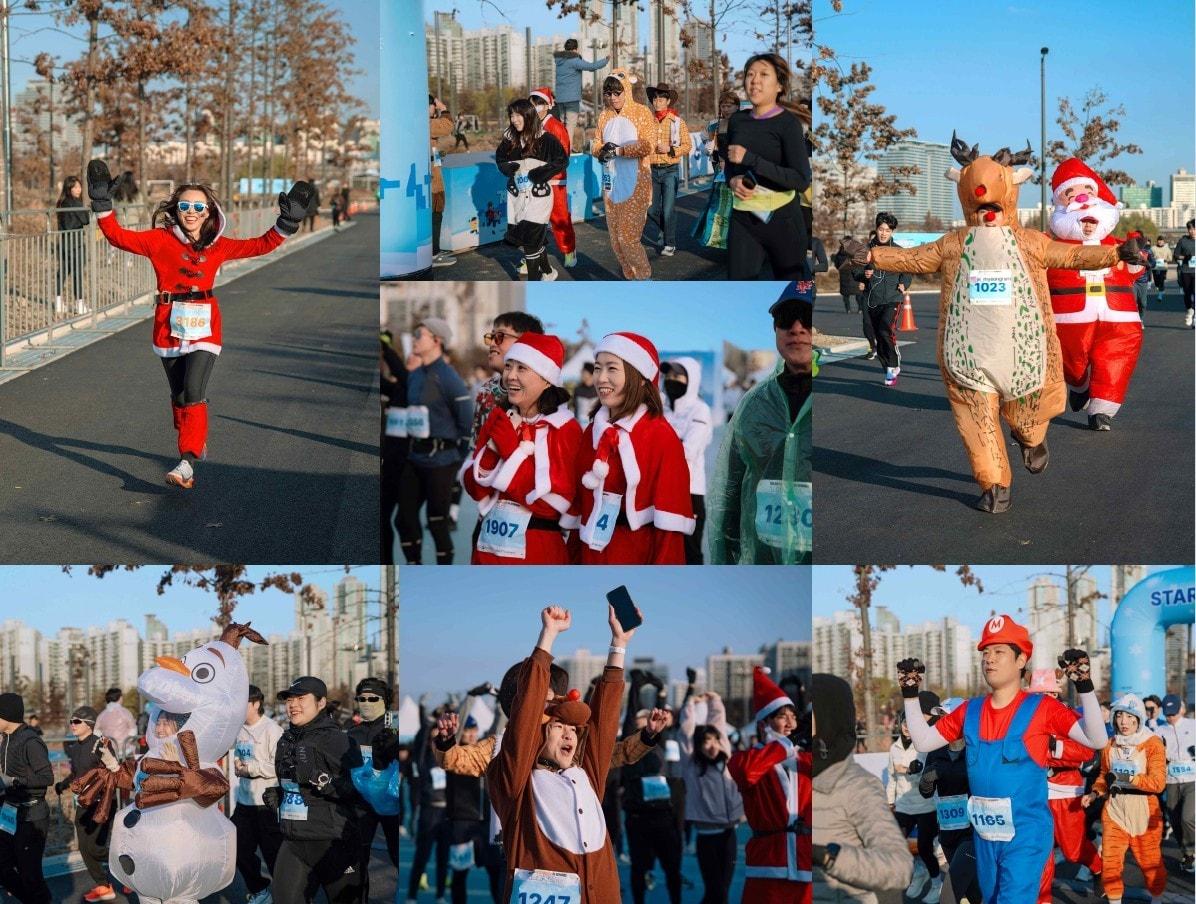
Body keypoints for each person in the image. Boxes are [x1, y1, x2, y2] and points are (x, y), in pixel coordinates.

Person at [858, 137, 1138, 513]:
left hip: (1023, 350)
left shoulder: (1030, 242)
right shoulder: (952, 244)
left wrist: (1116, 253)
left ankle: (1030, 437)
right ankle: (993, 484)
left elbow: (1071, 254)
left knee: (1030, 411)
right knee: (976, 421)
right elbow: (913, 259)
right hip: (966, 353)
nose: (985, 206)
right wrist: (871, 255)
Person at [86, 158, 314, 490]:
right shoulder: (159, 240)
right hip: (167, 326)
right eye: (184, 206)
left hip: (205, 328)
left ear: (208, 212)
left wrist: (288, 221)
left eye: (198, 206)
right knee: (179, 396)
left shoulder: (218, 246)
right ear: (176, 210)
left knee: (194, 389)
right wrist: (102, 204)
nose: (191, 212)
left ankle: (187, 461)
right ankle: (193, 436)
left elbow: (261, 244)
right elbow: (117, 237)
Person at [896, 614, 1109, 904]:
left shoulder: (1042, 707)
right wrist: (910, 694)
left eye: (999, 652)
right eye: (985, 652)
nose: (989, 659)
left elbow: (1096, 739)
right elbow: (923, 740)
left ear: (1021, 660)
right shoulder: (969, 710)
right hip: (985, 837)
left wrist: (1084, 686)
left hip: (1025, 837)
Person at [487, 603, 636, 903]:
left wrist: (618, 645)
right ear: (540, 732)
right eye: (558, 726)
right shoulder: (517, 784)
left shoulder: (586, 775)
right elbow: (526, 717)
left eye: (574, 729)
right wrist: (548, 636)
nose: (570, 733)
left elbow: (604, 724)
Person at [566, 331, 695, 564]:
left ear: (640, 376)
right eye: (597, 368)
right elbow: (580, 514)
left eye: (612, 368)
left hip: (635, 557)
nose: (601, 378)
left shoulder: (661, 436)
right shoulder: (592, 433)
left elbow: (670, 532)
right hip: (591, 555)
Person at [708, 284, 812, 564]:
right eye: (786, 318)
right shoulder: (755, 404)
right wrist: (724, 558)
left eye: (808, 317)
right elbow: (730, 487)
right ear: (775, 329)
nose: (797, 328)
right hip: (764, 558)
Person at [461, 333, 582, 564]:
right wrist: (492, 452)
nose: (511, 376)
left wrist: (510, 450)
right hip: (487, 549)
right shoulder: (499, 418)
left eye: (522, 368)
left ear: (546, 378)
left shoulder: (565, 429)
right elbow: (475, 490)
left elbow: (551, 506)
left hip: (537, 551)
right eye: (508, 366)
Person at [1046, 159, 1145, 430]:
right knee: (1071, 360)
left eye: (1088, 192)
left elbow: (1134, 269)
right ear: (1060, 205)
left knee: (1117, 354)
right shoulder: (1053, 247)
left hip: (1119, 314)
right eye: (1070, 193)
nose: (1080, 197)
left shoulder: (1117, 244)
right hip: (1069, 315)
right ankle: (1080, 384)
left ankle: (1101, 409)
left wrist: (1138, 254)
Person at [811, 674, 914, 904]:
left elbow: (899, 867)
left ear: (830, 716)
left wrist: (829, 856)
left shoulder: (857, 786)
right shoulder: (796, 777)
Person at [271, 676, 365, 904]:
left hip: (332, 841)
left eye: (301, 698)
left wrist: (322, 781)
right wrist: (279, 794)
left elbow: (359, 792)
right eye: (289, 700)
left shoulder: (336, 740)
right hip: (293, 839)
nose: (293, 705)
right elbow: (292, 782)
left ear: (321, 702)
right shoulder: (286, 740)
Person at [723, 53, 811, 280]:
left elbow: (801, 179)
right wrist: (732, 180)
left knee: (792, 288)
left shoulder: (788, 124)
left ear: (779, 85)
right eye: (750, 75)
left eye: (764, 75)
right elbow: (730, 164)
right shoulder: (737, 121)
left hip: (783, 219)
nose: (755, 81)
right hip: (744, 216)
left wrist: (751, 159)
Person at [728, 667, 811, 904]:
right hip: (768, 865)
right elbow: (747, 773)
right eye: (782, 716)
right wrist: (787, 743)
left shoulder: (805, 760)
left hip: (805, 864)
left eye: (793, 716)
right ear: (765, 723)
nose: (791, 723)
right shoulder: (743, 760)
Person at [397, 317, 474, 565]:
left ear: (437, 341)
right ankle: (413, 564)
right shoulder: (415, 375)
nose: (415, 340)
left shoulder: (448, 377)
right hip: (414, 456)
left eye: (420, 335)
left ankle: (445, 570)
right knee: (404, 520)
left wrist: (457, 458)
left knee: (437, 522)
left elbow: (465, 420)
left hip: (442, 460)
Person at [1083, 694, 1168, 904]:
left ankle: (1156, 899)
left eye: (1130, 717)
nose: (1124, 722)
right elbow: (1103, 776)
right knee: (1110, 863)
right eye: (1119, 716)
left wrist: (1130, 778)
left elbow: (1158, 783)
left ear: (1139, 719)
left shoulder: (1152, 743)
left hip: (1144, 810)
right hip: (1115, 810)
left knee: (1150, 864)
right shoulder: (1109, 744)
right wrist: (1094, 793)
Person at [1027, 669, 1102, 901]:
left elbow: (1087, 751)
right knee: (1041, 853)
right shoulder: (1024, 717)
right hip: (1034, 791)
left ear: (1054, 693)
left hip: (1066, 790)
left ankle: (1099, 867)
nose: (1040, 699)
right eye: (1036, 695)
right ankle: (1043, 898)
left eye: (1045, 694)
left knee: (1072, 850)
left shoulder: (1068, 716)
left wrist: (1054, 748)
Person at [679, 692, 744, 904]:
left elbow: (719, 724)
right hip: (707, 837)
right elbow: (686, 732)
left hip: (729, 834)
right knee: (715, 891)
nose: (713, 745)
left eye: (716, 740)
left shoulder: (725, 757)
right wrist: (690, 703)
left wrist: (715, 700)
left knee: (721, 891)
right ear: (699, 744)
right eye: (707, 741)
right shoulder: (692, 763)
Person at [592, 68, 656, 280]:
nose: (613, 98)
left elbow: (648, 145)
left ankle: (644, 276)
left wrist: (619, 150)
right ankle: (630, 276)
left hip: (637, 183)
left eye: (617, 93)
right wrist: (601, 151)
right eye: (608, 94)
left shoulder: (641, 112)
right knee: (616, 242)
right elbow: (596, 144)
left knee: (628, 238)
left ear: (626, 91)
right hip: (611, 186)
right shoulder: (604, 115)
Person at [916, 698, 982, 904]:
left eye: (948, 718)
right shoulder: (936, 750)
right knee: (973, 893)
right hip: (947, 831)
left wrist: (948, 772)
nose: (942, 723)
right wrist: (926, 780)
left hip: (973, 832)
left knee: (949, 894)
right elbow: (926, 792)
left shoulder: (977, 749)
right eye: (941, 718)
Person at [496, 99, 567, 281]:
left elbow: (562, 160)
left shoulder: (545, 138)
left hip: (539, 196)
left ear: (528, 115)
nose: (514, 119)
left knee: (530, 239)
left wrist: (540, 173)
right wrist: (506, 168)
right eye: (511, 115)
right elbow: (500, 159)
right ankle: (549, 273)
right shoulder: (510, 138)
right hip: (517, 196)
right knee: (529, 238)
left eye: (518, 115)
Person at [53, 706, 117, 903]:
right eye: (71, 721)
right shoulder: (76, 747)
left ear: (88, 724)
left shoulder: (99, 745)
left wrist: (110, 762)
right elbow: (77, 773)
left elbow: (114, 772)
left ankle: (124, 863)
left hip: (102, 803)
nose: (72, 725)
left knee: (95, 848)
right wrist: (63, 784)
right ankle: (104, 886)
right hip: (83, 803)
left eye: (77, 721)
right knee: (83, 847)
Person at [620, 705, 682, 904]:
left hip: (663, 817)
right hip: (638, 818)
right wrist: (636, 688)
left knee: (672, 869)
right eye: (641, 717)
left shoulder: (662, 744)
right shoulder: (628, 746)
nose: (645, 720)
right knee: (639, 868)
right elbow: (630, 719)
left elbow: (669, 724)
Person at [346, 678, 402, 896]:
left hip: (392, 804)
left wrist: (394, 750)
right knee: (358, 858)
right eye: (362, 699)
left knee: (398, 855)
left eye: (373, 698)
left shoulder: (395, 727)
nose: (366, 703)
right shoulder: (352, 733)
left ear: (385, 701)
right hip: (362, 805)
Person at [232, 684, 284, 904]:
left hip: (266, 804)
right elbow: (238, 758)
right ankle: (260, 890)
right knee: (236, 849)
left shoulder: (273, 730)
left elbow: (279, 766)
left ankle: (286, 896)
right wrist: (237, 766)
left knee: (274, 857)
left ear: (255, 703)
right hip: (244, 803)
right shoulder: (239, 730)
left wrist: (251, 768)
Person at [887, 700, 943, 903]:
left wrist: (917, 770)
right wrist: (889, 801)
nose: (907, 727)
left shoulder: (924, 746)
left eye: (911, 724)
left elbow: (931, 775)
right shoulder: (894, 748)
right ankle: (918, 870)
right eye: (904, 723)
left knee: (925, 847)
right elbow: (892, 777)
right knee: (897, 843)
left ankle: (936, 883)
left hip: (926, 806)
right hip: (903, 805)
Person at [0, 692, 53, 904]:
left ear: (7, 716)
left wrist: (12, 781)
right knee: (2, 866)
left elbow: (47, 777)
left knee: (30, 875)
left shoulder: (30, 741)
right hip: (9, 813)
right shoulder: (7, 740)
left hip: (32, 816)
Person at [661, 357, 713, 565]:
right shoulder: (660, 409)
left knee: (690, 550)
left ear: (691, 380)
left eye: (678, 376)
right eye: (669, 376)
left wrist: (660, 448)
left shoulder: (700, 410)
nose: (672, 380)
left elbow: (687, 451)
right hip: (661, 490)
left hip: (689, 491)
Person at [470, 312, 546, 451]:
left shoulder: (544, 394)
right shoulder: (486, 390)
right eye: (491, 337)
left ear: (526, 343)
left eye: (500, 337)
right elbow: (475, 447)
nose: (492, 343)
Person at [406, 699, 450, 903]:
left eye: (438, 732)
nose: (436, 735)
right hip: (429, 811)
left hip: (447, 814)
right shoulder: (424, 759)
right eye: (433, 732)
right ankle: (412, 895)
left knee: (443, 857)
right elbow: (421, 741)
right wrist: (427, 718)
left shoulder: (449, 757)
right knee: (421, 856)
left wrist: (453, 709)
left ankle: (440, 894)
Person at [859, 213, 910, 387]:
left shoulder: (898, 250)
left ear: (892, 231)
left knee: (885, 329)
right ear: (876, 229)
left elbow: (907, 271)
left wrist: (903, 283)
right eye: (881, 229)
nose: (883, 233)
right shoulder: (867, 250)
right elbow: (855, 270)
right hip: (872, 299)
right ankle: (888, 367)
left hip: (892, 298)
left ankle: (894, 363)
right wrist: (863, 275)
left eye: (887, 230)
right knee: (877, 336)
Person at [529, 88, 577, 268]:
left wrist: (546, 170)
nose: (536, 107)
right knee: (533, 220)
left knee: (559, 218)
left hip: (555, 180)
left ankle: (569, 250)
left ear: (547, 105)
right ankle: (531, 256)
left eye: (539, 103)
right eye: (533, 104)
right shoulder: (531, 126)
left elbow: (563, 156)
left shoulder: (556, 127)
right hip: (535, 181)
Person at [644, 82, 691, 257]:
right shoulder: (648, 122)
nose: (657, 101)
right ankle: (666, 229)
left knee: (668, 208)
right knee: (650, 209)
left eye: (661, 98)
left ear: (668, 100)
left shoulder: (678, 122)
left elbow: (687, 145)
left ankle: (670, 242)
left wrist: (670, 149)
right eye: (655, 98)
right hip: (652, 170)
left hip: (670, 169)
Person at [1155, 694, 1195, 874]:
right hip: (1171, 781)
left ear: (1182, 709)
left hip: (1192, 780)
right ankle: (1186, 853)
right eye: (1167, 714)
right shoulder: (1160, 731)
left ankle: (1192, 850)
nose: (1170, 717)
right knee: (1175, 819)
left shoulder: (1193, 726)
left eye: (1174, 713)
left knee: (1188, 817)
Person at [552, 38, 608, 142]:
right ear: (575, 49)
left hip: (560, 98)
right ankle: (566, 152)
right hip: (572, 99)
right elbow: (591, 66)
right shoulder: (574, 60)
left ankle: (560, 149)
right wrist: (606, 60)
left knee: (562, 125)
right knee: (570, 125)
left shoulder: (559, 62)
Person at [55, 174, 90, 316]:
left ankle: (58, 302)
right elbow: (86, 219)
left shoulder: (61, 202)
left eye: (79, 186)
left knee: (62, 271)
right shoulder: (75, 202)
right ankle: (79, 304)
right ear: (69, 188)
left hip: (63, 241)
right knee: (78, 273)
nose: (79, 189)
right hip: (75, 242)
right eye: (75, 187)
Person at [429, 96, 455, 268]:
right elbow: (448, 126)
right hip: (431, 177)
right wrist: (444, 108)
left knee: (436, 212)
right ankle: (433, 254)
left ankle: (435, 250)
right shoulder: (427, 123)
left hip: (433, 172)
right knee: (436, 213)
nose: (434, 108)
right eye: (433, 105)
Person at [94, 687, 138, 757]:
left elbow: (96, 732)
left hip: (108, 751)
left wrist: (105, 741)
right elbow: (133, 731)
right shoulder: (125, 712)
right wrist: (126, 742)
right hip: (125, 750)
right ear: (120, 698)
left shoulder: (102, 715)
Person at [832, 236, 863, 314]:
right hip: (855, 276)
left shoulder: (839, 254)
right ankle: (860, 309)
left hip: (844, 277)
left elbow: (837, 265)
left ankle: (848, 309)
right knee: (858, 295)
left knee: (845, 296)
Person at [1174, 218, 1195, 327]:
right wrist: (1185, 257)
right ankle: (1190, 310)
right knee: (1187, 293)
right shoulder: (1183, 241)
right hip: (1186, 271)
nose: (1192, 231)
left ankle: (1194, 315)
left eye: (1194, 228)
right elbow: (1176, 255)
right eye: (1190, 229)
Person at [1151, 235, 1171, 300]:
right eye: (1159, 240)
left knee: (1161, 280)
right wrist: (1153, 259)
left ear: (1163, 242)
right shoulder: (1153, 248)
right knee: (1156, 281)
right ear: (1157, 241)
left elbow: (1170, 258)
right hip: (1155, 267)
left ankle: (1160, 295)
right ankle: (1159, 287)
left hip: (1163, 267)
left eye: (1161, 240)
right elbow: (1149, 256)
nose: (1160, 242)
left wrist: (1165, 260)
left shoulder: (1167, 249)